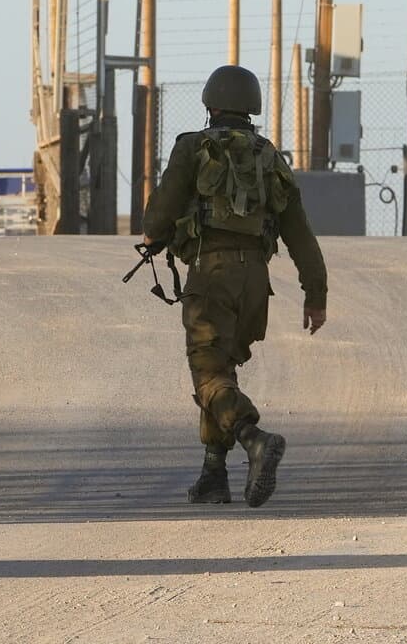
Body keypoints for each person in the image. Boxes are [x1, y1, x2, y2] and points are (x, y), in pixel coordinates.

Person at [141, 63, 328, 508]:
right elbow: (300, 233)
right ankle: (213, 474)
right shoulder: (271, 159)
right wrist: (315, 297)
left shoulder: (193, 148)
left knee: (207, 372)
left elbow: (159, 213)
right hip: (254, 283)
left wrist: (152, 237)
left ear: (211, 105)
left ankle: (253, 437)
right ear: (251, 109)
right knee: (222, 369)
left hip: (212, 273)